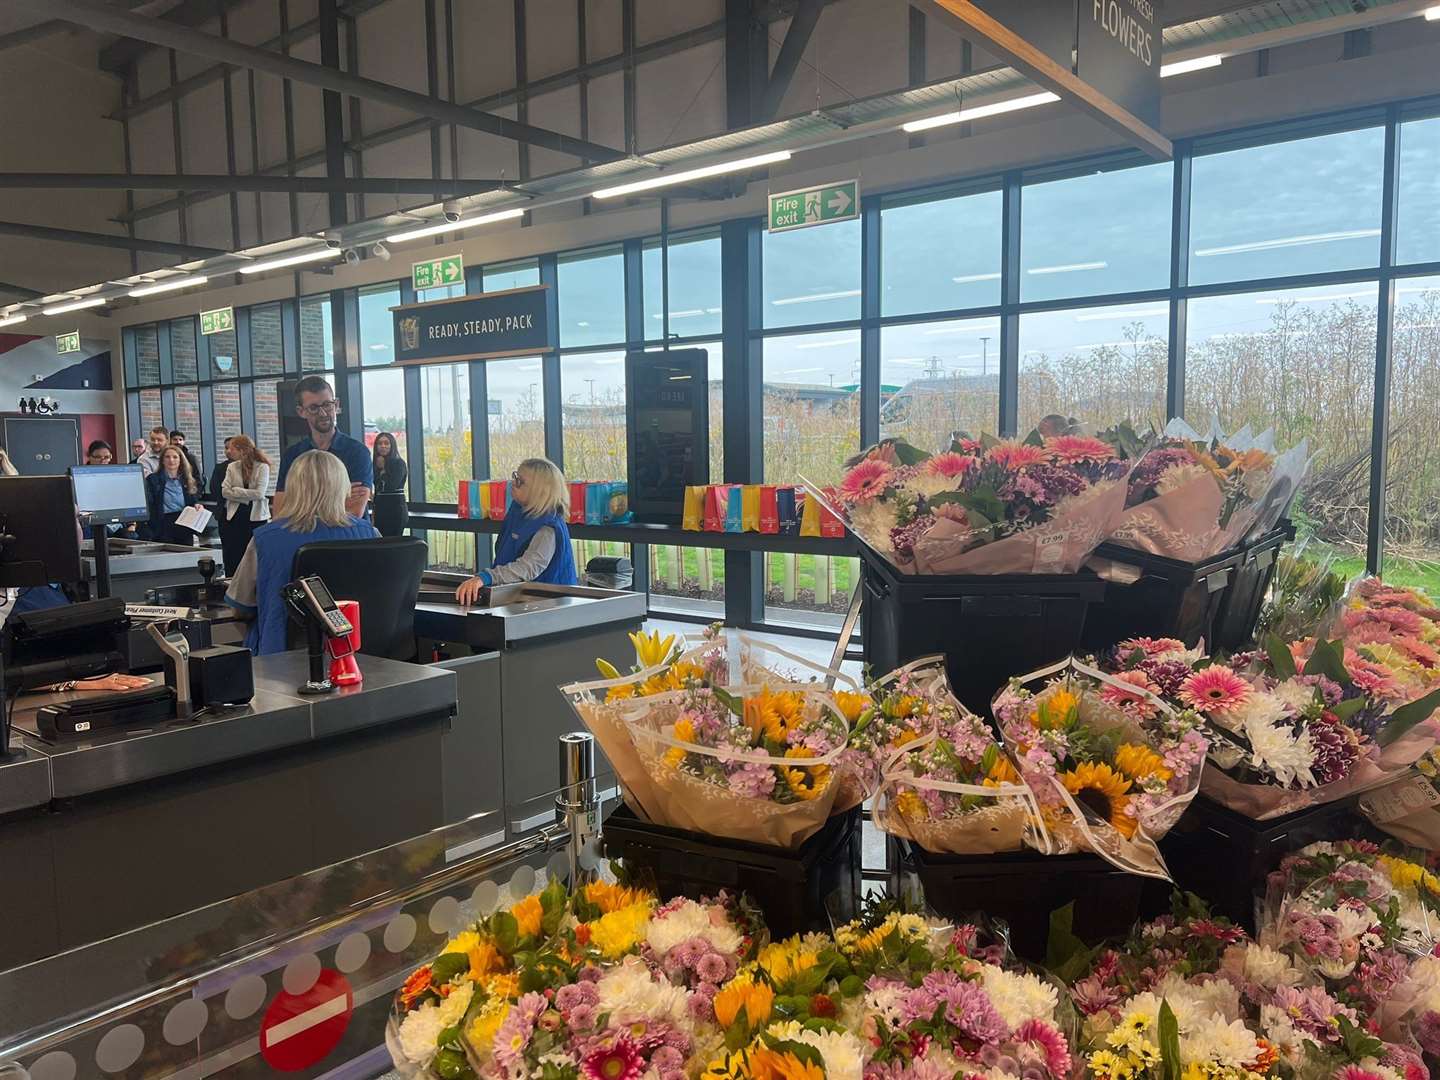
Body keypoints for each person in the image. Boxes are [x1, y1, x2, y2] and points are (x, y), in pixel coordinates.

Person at [224, 450, 379, 655]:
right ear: (343, 486)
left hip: (283, 661)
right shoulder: (370, 534)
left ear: (293, 488)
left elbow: (241, 607)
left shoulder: (266, 539)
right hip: (360, 655)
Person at [454, 457, 577, 604]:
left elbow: (528, 567)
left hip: (549, 604)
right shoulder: (519, 511)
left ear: (539, 491)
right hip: (519, 598)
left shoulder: (548, 527)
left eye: (520, 481)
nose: (514, 483)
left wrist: (486, 577)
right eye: (515, 477)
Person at [274, 376, 373, 520]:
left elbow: (354, 512)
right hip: (304, 540)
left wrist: (301, 499)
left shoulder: (357, 452)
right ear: (301, 411)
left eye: (327, 404)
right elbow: (279, 513)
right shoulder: (292, 455)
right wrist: (339, 495)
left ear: (336, 404)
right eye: (314, 408)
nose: (323, 413)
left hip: (350, 539)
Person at [219, 434, 272, 574]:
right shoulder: (231, 467)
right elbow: (224, 491)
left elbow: (260, 493)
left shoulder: (262, 467)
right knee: (234, 555)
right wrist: (247, 495)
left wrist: (236, 491)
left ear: (241, 450)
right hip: (234, 516)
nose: (228, 452)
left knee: (254, 555)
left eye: (231, 449)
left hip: (256, 518)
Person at [144, 445, 200, 545]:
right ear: (162, 460)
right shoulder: (153, 479)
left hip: (184, 523)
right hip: (163, 524)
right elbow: (150, 504)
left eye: (175, 457)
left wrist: (197, 505)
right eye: (167, 457)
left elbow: (192, 501)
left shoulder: (187, 479)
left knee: (186, 556)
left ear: (180, 460)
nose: (171, 460)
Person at [169, 430, 206, 496]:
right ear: (170, 441)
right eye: (175, 439)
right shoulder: (165, 457)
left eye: (180, 440)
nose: (178, 442)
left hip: (188, 494)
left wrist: (195, 497)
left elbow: (198, 479)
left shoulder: (191, 458)